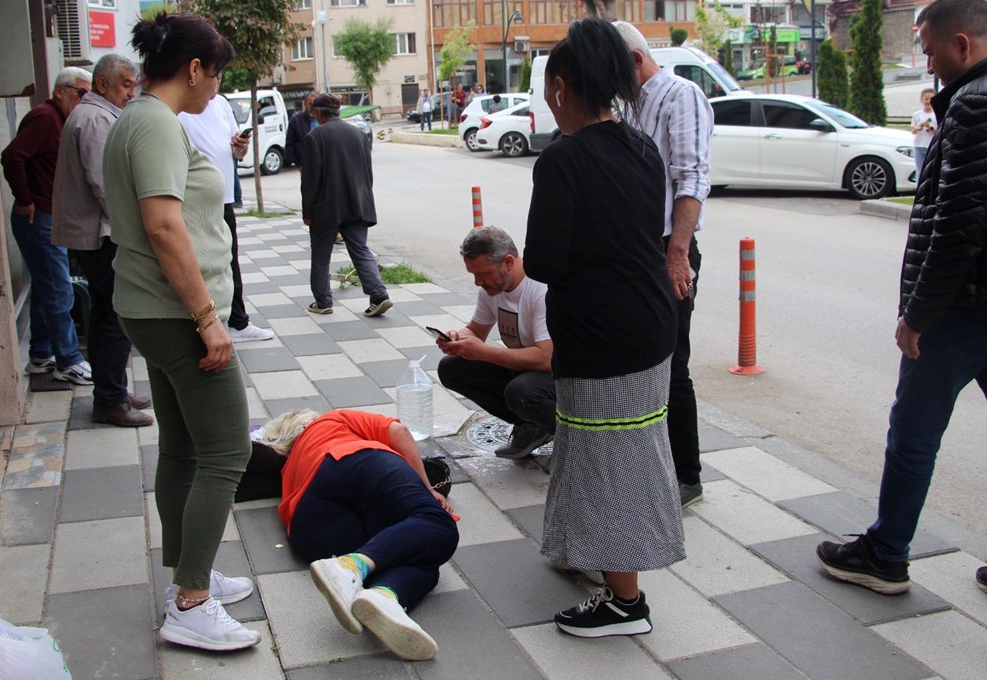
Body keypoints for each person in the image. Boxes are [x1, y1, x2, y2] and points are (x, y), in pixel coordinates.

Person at [816, 0, 987, 624]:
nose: (926, 63)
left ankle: (886, 556)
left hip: (966, 307)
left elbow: (958, 226)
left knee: (914, 434)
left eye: (929, 51)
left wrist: (918, 316)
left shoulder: (978, 103)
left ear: (962, 43)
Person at [102, 11, 261, 651]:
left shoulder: (136, 119)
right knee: (229, 452)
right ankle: (191, 603)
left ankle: (186, 574)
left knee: (183, 448)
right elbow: (165, 227)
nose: (217, 85)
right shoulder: (157, 126)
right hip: (176, 315)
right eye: (217, 73)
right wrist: (207, 320)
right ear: (194, 69)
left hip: (150, 309)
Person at [524, 18, 684, 638]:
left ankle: (625, 603)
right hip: (649, 328)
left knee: (605, 461)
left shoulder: (564, 160)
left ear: (562, 87)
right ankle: (589, 553)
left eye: (547, 89)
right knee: (628, 452)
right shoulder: (640, 146)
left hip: (603, 339)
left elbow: (544, 260)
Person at [263, 408, 457, 661]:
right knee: (438, 527)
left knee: (418, 555)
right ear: (306, 420)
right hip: (353, 459)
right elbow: (399, 431)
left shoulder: (289, 468)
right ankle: (348, 566)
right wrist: (427, 488)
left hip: (307, 524)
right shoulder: (331, 420)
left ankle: (385, 595)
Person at [614, 21, 714, 508]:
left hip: (666, 250)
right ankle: (651, 468)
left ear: (635, 60)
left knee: (672, 362)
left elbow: (692, 177)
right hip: (633, 250)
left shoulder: (680, 95)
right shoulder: (625, 104)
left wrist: (677, 254)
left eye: (615, 71)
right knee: (640, 362)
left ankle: (687, 476)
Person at [51, 54, 153, 428]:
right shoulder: (95, 118)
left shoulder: (94, 114)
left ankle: (113, 391)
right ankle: (110, 399)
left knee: (106, 315)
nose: (132, 91)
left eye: (133, 84)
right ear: (102, 84)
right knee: (115, 315)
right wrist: (135, 227)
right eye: (126, 84)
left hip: (96, 233)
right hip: (101, 234)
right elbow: (105, 184)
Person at [0, 66, 94, 385]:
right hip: (38, 215)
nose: (85, 100)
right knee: (58, 289)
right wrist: (25, 198)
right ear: (60, 91)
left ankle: (41, 354)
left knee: (46, 287)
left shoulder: (60, 119)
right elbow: (12, 156)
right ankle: (68, 358)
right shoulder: (45, 118)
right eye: (82, 93)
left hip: (49, 214)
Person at [437, 227, 555, 459]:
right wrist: (457, 339)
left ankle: (578, 438)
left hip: (558, 376)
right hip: (525, 370)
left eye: (482, 273)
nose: (477, 282)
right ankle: (532, 426)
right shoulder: (493, 288)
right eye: (473, 274)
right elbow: (476, 330)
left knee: (522, 392)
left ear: (508, 262)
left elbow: (546, 359)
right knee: (451, 367)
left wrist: (483, 352)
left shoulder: (539, 289)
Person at [180, 94, 276, 343]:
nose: (217, 81)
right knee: (201, 260)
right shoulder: (182, 105)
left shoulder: (221, 103)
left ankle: (237, 321)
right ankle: (205, 322)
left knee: (229, 259)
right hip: (195, 199)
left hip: (223, 198)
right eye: (214, 74)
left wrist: (239, 146)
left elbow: (236, 150)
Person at [301, 93, 392, 318]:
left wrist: (308, 212)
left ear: (319, 113)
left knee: (321, 255)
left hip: (326, 208)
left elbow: (310, 181)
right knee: (361, 250)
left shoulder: (315, 137)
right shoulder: (359, 134)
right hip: (357, 203)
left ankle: (323, 301)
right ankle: (379, 295)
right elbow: (367, 174)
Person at [910, 88, 937, 183]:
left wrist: (930, 127)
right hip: (919, 146)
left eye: (931, 99)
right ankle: (918, 189)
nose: (928, 101)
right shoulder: (917, 115)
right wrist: (918, 128)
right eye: (926, 99)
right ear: (921, 100)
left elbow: (938, 132)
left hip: (932, 146)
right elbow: (913, 130)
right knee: (920, 170)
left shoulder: (936, 114)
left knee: (931, 170)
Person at [285, 93, 317, 168]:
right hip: (306, 165)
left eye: (315, 105)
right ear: (305, 104)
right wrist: (298, 164)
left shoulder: (324, 119)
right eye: (310, 104)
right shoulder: (296, 120)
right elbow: (289, 145)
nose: (313, 108)